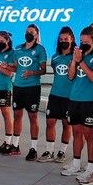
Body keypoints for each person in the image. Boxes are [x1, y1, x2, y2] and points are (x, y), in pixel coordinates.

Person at [61, 26, 93, 181]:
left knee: (89, 135)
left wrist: (81, 62)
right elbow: (71, 76)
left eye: (86, 41)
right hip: (75, 98)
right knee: (76, 133)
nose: (83, 44)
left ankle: (91, 168)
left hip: (91, 100)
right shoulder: (78, 53)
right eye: (81, 41)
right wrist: (74, 60)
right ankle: (76, 164)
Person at [10, 24, 47, 160]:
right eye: (27, 32)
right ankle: (15, 145)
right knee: (17, 115)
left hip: (32, 87)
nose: (28, 34)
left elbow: (43, 70)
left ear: (36, 35)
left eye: (31, 32)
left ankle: (33, 148)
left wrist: (32, 72)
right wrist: (4, 66)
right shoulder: (18, 48)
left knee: (33, 116)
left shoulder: (40, 49)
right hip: (18, 86)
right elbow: (15, 67)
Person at [39, 27, 74, 163]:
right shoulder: (55, 57)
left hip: (69, 96)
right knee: (50, 122)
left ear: (71, 39)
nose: (63, 41)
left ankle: (62, 152)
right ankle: (49, 151)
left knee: (66, 124)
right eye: (61, 39)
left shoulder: (75, 57)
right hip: (55, 95)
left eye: (66, 39)